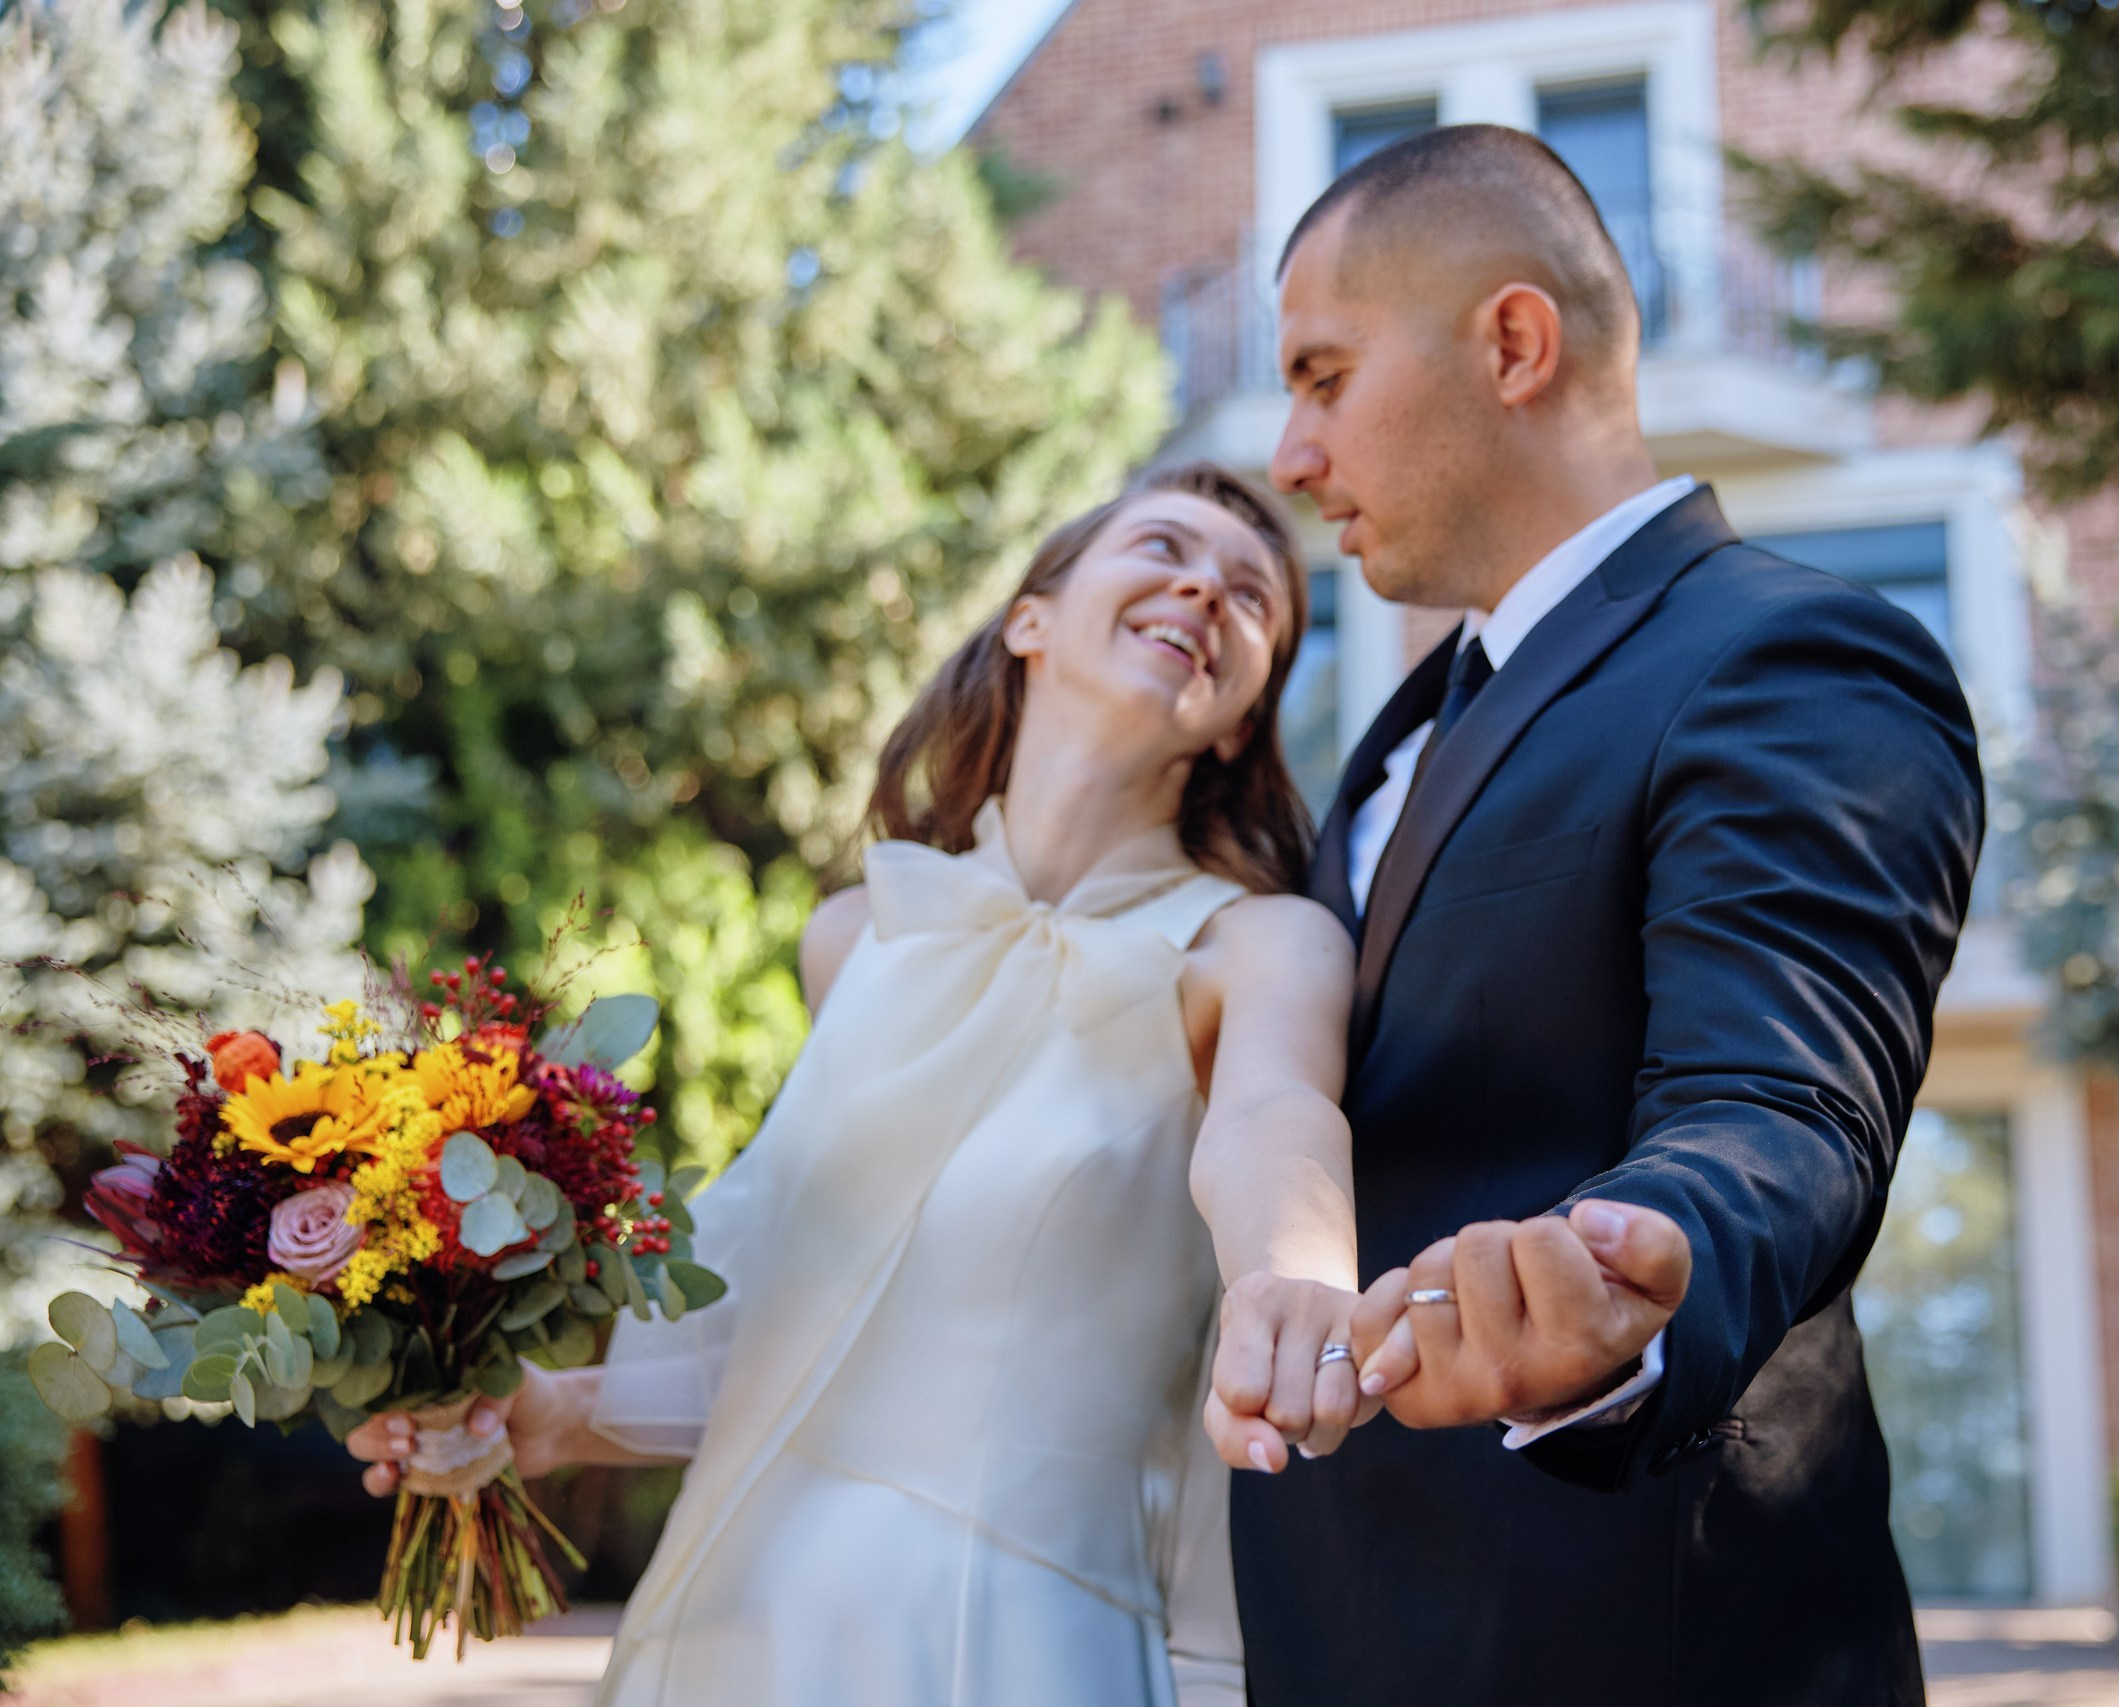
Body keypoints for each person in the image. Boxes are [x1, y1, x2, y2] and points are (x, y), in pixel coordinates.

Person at [347, 463, 1370, 1707]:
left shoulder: (1259, 945)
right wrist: (547, 1413)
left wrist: (1300, 1271)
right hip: (734, 1615)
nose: (1206, 587)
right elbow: (791, 1302)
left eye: (1255, 597)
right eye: (1163, 546)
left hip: (1018, 1637)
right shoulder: (858, 938)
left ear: (1236, 721)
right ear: (1029, 620)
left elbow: (1275, 1117)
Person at [1221, 125, 1986, 1706]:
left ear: (1512, 340)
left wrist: (1635, 1281)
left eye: (1322, 373)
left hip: (1637, 1633)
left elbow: (1779, 1100)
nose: (1291, 457)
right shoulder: (1405, 721)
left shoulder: (1791, 653)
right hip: (1339, 1632)